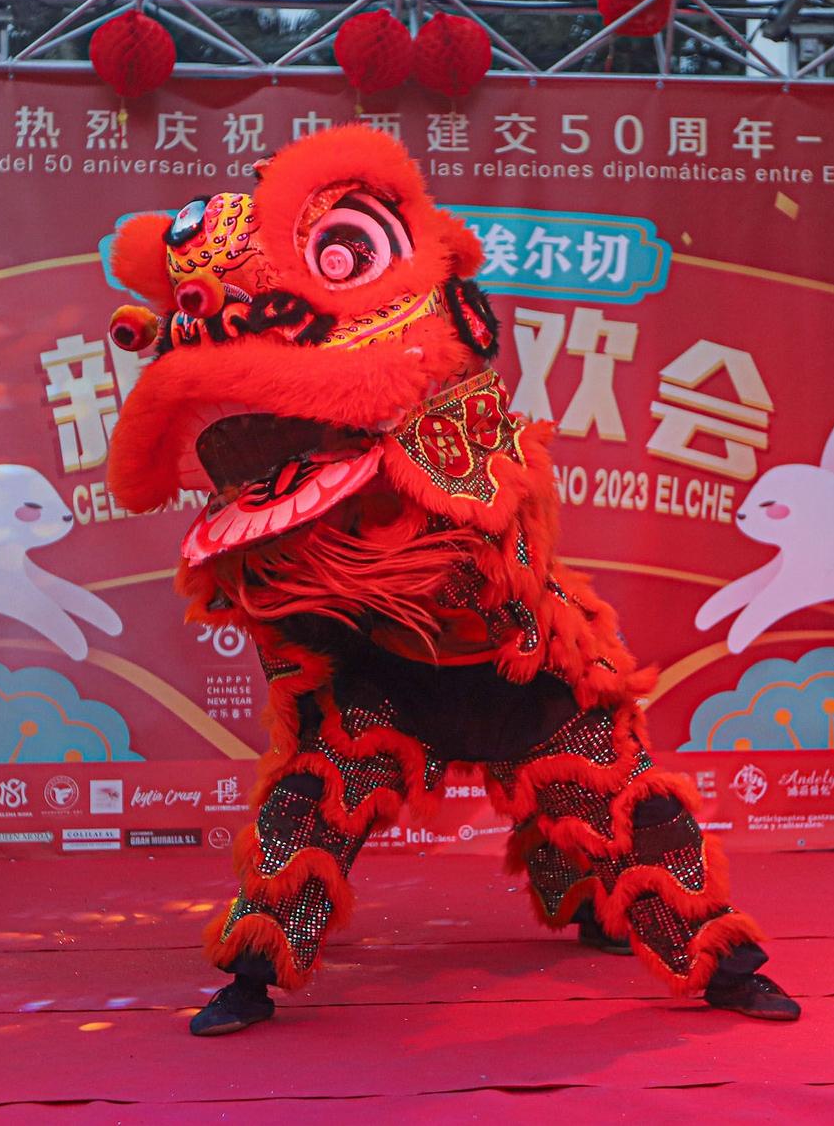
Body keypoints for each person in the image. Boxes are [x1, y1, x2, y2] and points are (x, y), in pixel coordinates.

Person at [96, 127, 796, 1035]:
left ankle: (719, 962)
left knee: (630, 809)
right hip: (386, 689)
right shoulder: (275, 500)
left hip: (526, 678)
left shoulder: (461, 430)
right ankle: (253, 976)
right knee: (305, 810)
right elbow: (280, 616)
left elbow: (488, 555)